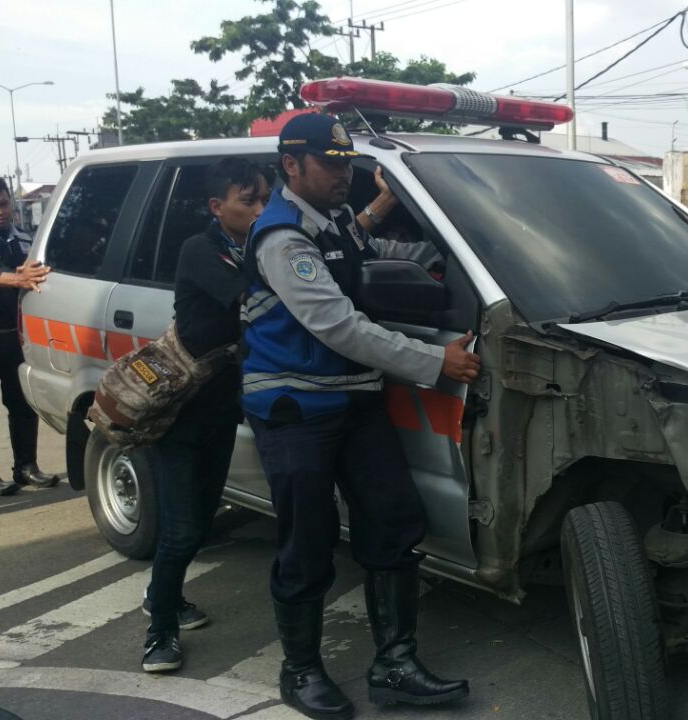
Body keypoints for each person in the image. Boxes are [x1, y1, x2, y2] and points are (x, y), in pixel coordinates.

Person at [241, 113, 477, 719]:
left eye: (348, 162)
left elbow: (373, 251)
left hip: (355, 398)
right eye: (331, 163)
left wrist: (449, 243)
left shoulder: (338, 218)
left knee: (394, 520)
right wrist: (435, 361)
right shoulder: (282, 239)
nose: (344, 173)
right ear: (292, 166)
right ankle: (301, 671)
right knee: (308, 542)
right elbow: (339, 325)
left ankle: (394, 664)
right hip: (296, 407)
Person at [141, 159, 270, 673]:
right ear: (218, 207)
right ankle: (158, 634)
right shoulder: (202, 250)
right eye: (249, 201)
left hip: (219, 412)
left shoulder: (247, 245)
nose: (260, 210)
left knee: (198, 523)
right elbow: (257, 296)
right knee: (180, 528)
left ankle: (161, 595)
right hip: (180, 417)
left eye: (265, 200)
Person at [0, 175, 58, 497]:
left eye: (2, 204)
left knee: (21, 402)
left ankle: (26, 467)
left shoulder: (24, 240)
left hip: (14, 335)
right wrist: (11, 278)